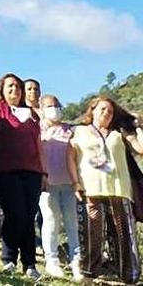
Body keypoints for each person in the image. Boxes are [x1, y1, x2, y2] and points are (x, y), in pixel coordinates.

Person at [0, 73, 45, 279]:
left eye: (17, 86)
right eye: (10, 86)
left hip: (32, 172)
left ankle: (30, 264)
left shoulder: (32, 115)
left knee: (29, 216)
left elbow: (39, 145)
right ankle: (9, 259)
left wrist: (44, 172)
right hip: (6, 171)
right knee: (16, 214)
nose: (14, 90)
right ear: (2, 90)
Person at [69, 96, 143, 284]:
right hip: (91, 187)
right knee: (92, 232)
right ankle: (89, 273)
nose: (106, 113)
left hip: (119, 188)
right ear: (92, 110)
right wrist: (75, 182)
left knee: (124, 233)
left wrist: (139, 127)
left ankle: (129, 275)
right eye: (102, 109)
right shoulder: (79, 131)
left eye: (110, 111)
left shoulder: (119, 133)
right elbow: (70, 157)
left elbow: (140, 149)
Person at [37, 94, 81, 279]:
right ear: (41, 109)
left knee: (72, 223)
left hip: (70, 184)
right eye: (48, 106)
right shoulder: (38, 130)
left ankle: (77, 261)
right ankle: (52, 261)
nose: (53, 109)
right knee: (51, 222)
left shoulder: (71, 130)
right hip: (48, 185)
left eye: (56, 105)